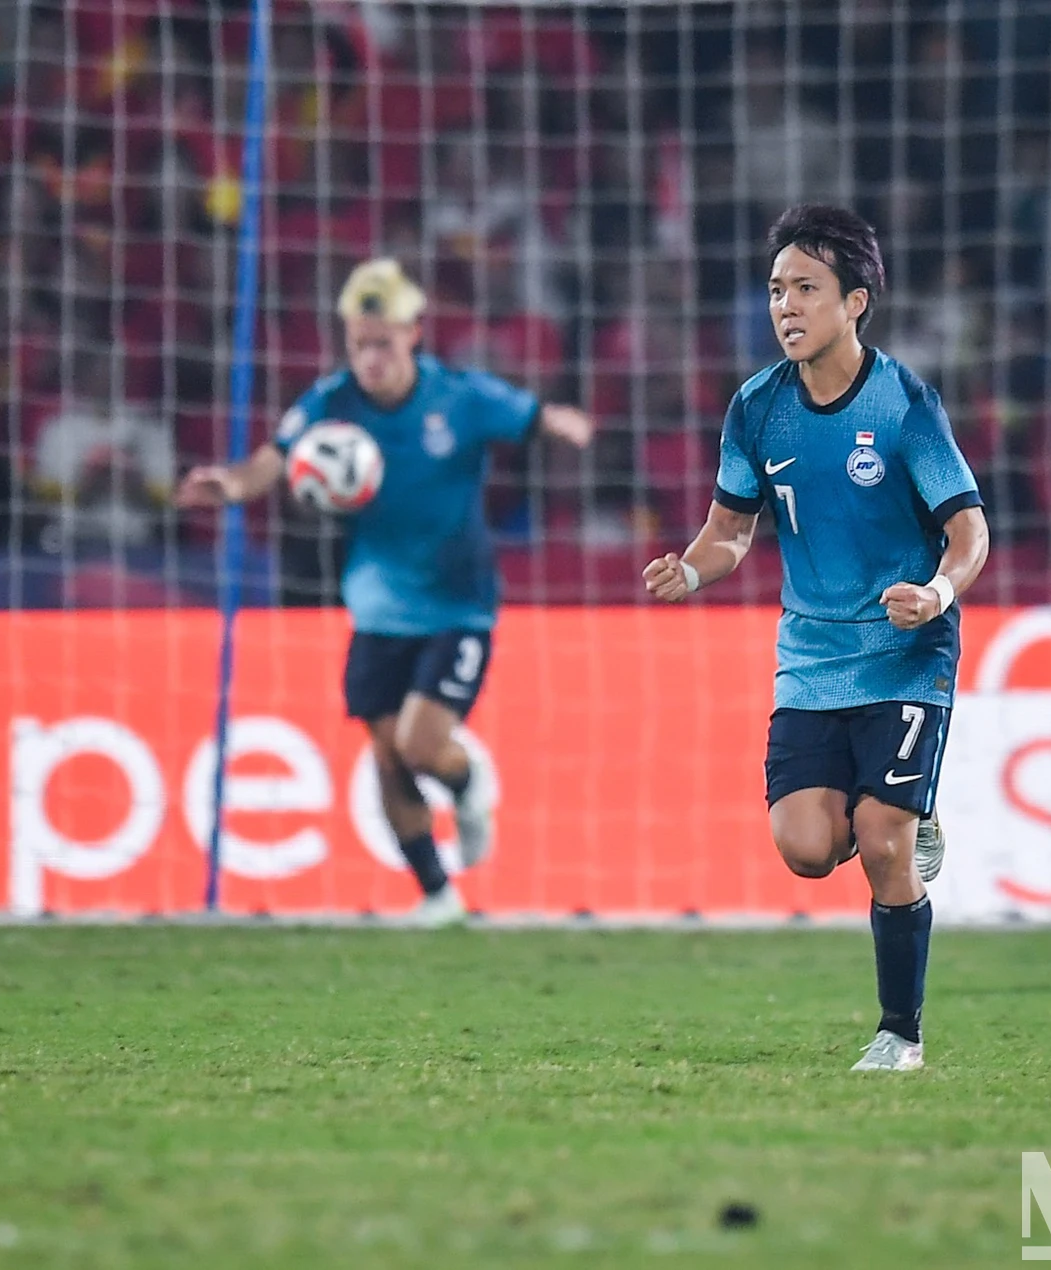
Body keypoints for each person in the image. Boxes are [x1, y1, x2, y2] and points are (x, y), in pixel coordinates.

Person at [642, 207, 990, 1071]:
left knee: (879, 844)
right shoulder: (758, 409)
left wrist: (938, 591)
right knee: (804, 849)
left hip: (906, 654)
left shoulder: (905, 404)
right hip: (811, 661)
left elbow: (970, 531)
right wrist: (691, 570)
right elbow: (730, 530)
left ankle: (899, 1035)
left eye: (805, 289)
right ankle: (908, 818)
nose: (785, 307)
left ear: (855, 302)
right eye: (775, 290)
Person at [178, 259, 594, 925]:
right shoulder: (328, 404)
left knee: (419, 745)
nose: (370, 357)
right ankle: (437, 893)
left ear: (412, 334)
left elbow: (531, 414)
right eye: (358, 344)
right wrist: (230, 486)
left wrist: (561, 423)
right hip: (376, 605)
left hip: (459, 602)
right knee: (384, 751)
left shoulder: (459, 398)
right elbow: (273, 459)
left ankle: (465, 782)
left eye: (383, 342)